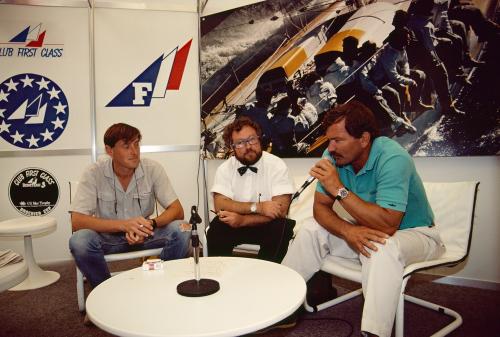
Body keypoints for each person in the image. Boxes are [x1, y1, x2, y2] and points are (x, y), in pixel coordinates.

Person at [282, 101, 445, 337]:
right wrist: (349, 232)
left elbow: (388, 225)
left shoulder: (393, 158)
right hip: (365, 232)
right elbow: (321, 210)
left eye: (338, 140)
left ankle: (375, 333)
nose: (331, 147)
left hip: (418, 235)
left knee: (381, 246)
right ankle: (281, 303)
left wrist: (339, 189)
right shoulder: (334, 156)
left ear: (364, 139)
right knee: (310, 229)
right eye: (329, 140)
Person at [69, 123, 190, 288]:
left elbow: (177, 210)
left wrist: (148, 225)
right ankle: (105, 292)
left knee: (183, 228)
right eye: (126, 146)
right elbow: (77, 221)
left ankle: (163, 286)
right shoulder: (93, 173)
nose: (134, 151)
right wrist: (124, 225)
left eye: (136, 144)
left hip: (146, 233)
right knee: (79, 240)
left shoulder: (152, 169)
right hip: (109, 237)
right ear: (109, 150)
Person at [206, 116, 295, 263]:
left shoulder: (277, 165)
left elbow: (280, 210)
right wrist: (258, 207)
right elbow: (220, 205)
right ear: (232, 148)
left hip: (266, 224)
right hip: (235, 223)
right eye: (240, 143)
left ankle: (266, 276)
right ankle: (220, 275)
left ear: (259, 139)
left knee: (283, 227)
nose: (248, 147)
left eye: (251, 139)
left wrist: (243, 220)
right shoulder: (225, 168)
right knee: (217, 226)